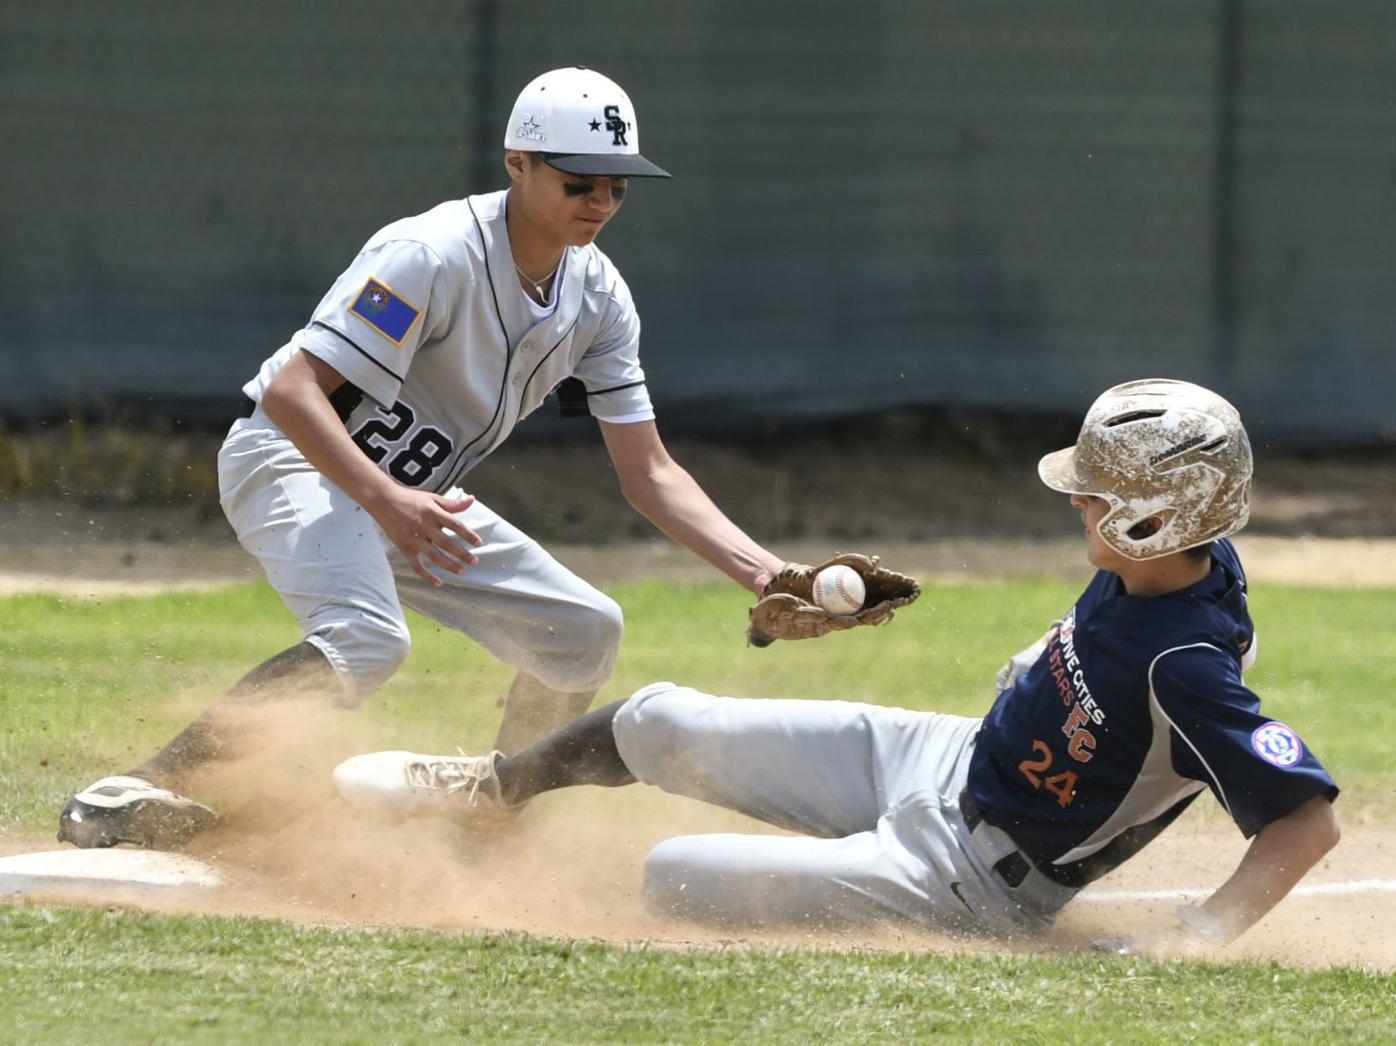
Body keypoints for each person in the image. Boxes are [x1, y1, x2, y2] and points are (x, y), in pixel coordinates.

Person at [58, 67, 787, 851]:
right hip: (293, 459)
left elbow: (650, 474)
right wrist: (384, 500)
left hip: (408, 498)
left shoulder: (600, 298)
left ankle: (487, 823)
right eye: (580, 182)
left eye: (618, 186)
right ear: (518, 163)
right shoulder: (429, 255)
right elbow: (293, 393)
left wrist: (768, 576)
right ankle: (133, 791)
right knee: (369, 637)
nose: (601, 202)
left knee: (584, 633)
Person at [333, 379, 1341, 944]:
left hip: (971, 877)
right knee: (658, 718)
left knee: (675, 875)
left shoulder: (1191, 666)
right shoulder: (1173, 564)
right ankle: (492, 786)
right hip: (944, 758)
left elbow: (1305, 818)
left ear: (1160, 512)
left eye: (1098, 491)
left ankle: (492, 906)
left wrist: (1205, 928)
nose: (1079, 501)